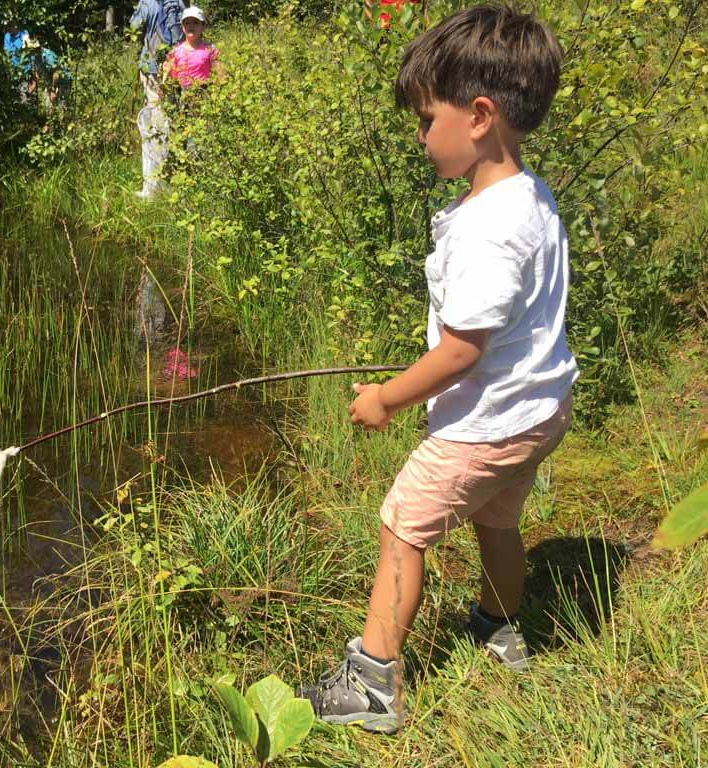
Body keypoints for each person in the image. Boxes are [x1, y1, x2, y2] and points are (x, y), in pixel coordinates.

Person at [297, 5, 578, 734]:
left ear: (479, 115)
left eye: (426, 119)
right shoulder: (527, 197)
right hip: (537, 411)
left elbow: (461, 351)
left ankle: (374, 686)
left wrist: (386, 398)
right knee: (495, 522)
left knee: (403, 526)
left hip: (485, 426)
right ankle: (499, 626)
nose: (420, 136)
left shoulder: (487, 229)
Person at [129, 0, 185, 106]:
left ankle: (156, 122)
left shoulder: (147, 3)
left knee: (153, 104)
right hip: (175, 63)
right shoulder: (178, 3)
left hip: (150, 62)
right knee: (172, 104)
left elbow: (134, 28)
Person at [164, 6, 220, 89]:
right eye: (187, 23)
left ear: (203, 26)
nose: (191, 26)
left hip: (204, 95)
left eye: (196, 23)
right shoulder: (175, 51)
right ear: (182, 27)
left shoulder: (210, 49)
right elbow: (170, 80)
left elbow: (220, 75)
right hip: (181, 96)